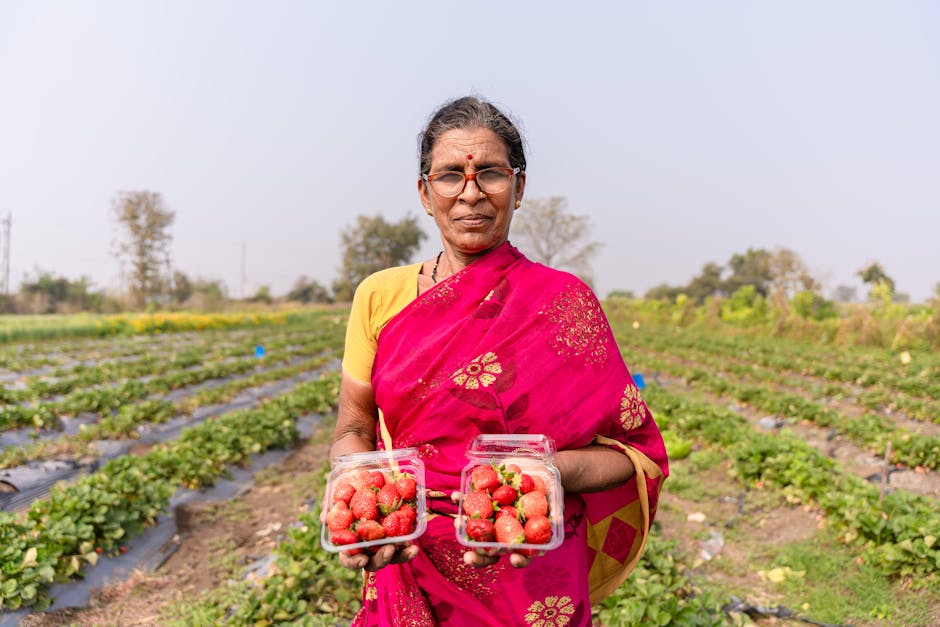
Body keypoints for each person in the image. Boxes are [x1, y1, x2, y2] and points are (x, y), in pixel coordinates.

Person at [330, 96, 668, 626]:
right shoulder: (380, 297)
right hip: (410, 554)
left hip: (531, 566)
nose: (470, 193)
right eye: (449, 176)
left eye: (490, 173)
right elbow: (353, 428)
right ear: (425, 192)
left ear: (519, 187)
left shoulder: (563, 303)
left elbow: (632, 454)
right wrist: (363, 497)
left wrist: (550, 474)